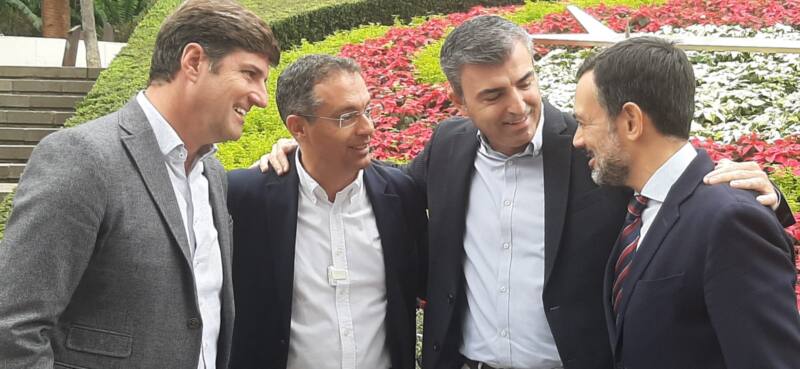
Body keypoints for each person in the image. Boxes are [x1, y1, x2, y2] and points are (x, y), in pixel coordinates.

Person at [261, 16, 793, 369]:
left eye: (525, 82)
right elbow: (386, 187)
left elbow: (665, 166)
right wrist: (302, 148)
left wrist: (760, 188)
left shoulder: (592, 146)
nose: (517, 105)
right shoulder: (448, 146)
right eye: (492, 95)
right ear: (459, 101)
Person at [0, 1, 280, 368]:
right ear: (193, 62)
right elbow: (13, 329)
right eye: (249, 74)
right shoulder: (82, 158)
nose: (261, 97)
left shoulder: (211, 175)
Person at [572, 36, 800, 369]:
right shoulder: (640, 199)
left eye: (583, 122)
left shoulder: (729, 220)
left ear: (632, 122)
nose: (577, 139)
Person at [227, 55, 428, 369]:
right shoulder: (243, 199)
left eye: (368, 110)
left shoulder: (401, 195)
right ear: (298, 127)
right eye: (347, 117)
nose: (368, 128)